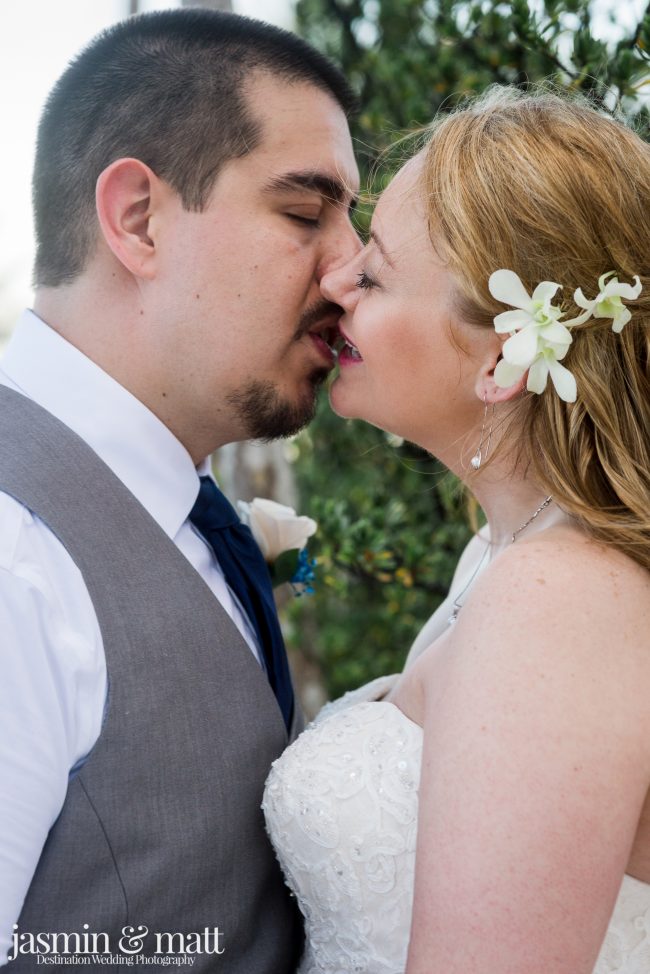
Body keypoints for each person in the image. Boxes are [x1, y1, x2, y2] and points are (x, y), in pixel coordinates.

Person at [0, 8, 360, 971]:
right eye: (303, 212)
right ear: (137, 219)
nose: (353, 268)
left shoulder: (190, 508)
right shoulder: (11, 554)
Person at [263, 87, 650, 974]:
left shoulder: (559, 599)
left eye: (377, 273)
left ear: (502, 360)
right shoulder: (503, 555)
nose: (335, 284)